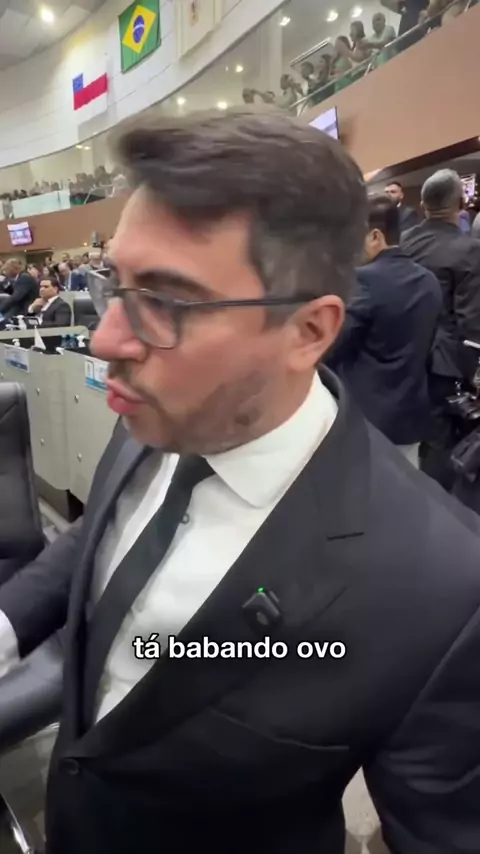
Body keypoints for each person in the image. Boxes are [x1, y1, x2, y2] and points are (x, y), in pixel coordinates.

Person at [1, 113, 480, 854]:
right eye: (113, 284)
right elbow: (98, 536)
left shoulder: (441, 590)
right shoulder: (155, 414)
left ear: (309, 331)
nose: (106, 338)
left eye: (166, 301)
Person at [327, 194, 441, 467]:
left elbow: (333, 345)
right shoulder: (429, 281)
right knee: (405, 489)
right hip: (411, 417)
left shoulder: (365, 280)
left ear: (375, 236)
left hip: (367, 420)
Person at [402, 168, 480, 488]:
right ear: (460, 204)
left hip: (401, 351)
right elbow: (471, 321)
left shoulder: (404, 241)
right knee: (441, 443)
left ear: (422, 206)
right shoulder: (469, 250)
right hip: (444, 363)